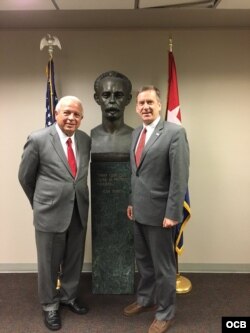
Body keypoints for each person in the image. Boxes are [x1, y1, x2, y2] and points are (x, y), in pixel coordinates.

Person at [18, 96, 91, 331]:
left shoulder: (85, 140)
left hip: (78, 209)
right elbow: (25, 177)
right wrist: (40, 203)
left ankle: (68, 297)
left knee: (73, 258)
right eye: (67, 113)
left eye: (76, 115)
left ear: (81, 118)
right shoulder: (38, 139)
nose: (71, 118)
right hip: (49, 212)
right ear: (57, 113)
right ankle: (50, 305)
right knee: (49, 262)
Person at [123, 86, 189, 333]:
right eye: (141, 103)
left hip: (162, 214)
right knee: (144, 262)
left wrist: (173, 213)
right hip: (139, 211)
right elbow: (135, 174)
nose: (145, 107)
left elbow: (179, 177)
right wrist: (132, 201)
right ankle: (146, 299)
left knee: (163, 267)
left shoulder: (174, 133)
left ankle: (165, 313)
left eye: (150, 102)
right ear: (137, 107)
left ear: (160, 105)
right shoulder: (135, 133)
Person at [91, 70, 133, 161]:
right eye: (106, 95)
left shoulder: (135, 137)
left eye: (119, 95)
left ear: (128, 99)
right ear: (97, 99)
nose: (112, 100)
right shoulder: (90, 137)